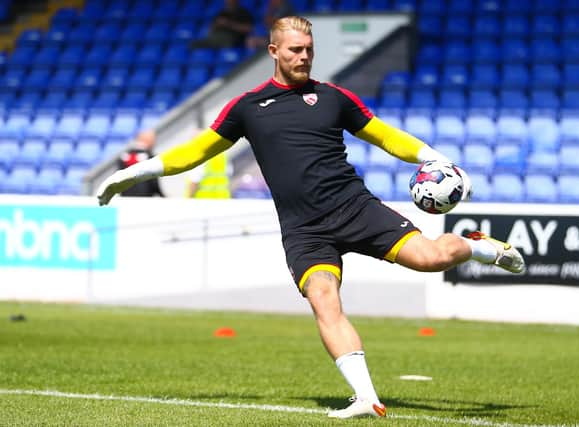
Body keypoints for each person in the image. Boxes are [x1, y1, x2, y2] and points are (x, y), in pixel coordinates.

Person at [97, 16, 525, 419]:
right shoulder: (247, 107)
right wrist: (130, 173)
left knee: (430, 259)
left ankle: (478, 246)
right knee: (324, 300)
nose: (304, 57)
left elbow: (385, 137)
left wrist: (438, 159)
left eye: (309, 49)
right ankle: (366, 398)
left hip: (355, 208)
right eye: (296, 50)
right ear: (273, 51)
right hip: (303, 229)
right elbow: (193, 153)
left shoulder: (334, 97)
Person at [116, 129, 164, 198]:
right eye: (152, 139)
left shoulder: (123, 157)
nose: (154, 142)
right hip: (144, 199)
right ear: (147, 140)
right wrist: (163, 197)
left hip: (126, 199)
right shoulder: (150, 157)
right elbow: (154, 182)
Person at [190, 0, 254, 49]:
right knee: (194, 44)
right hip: (217, 36)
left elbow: (249, 29)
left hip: (233, 39)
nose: (228, 1)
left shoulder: (243, 13)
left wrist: (228, 24)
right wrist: (217, 25)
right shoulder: (222, 13)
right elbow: (210, 29)